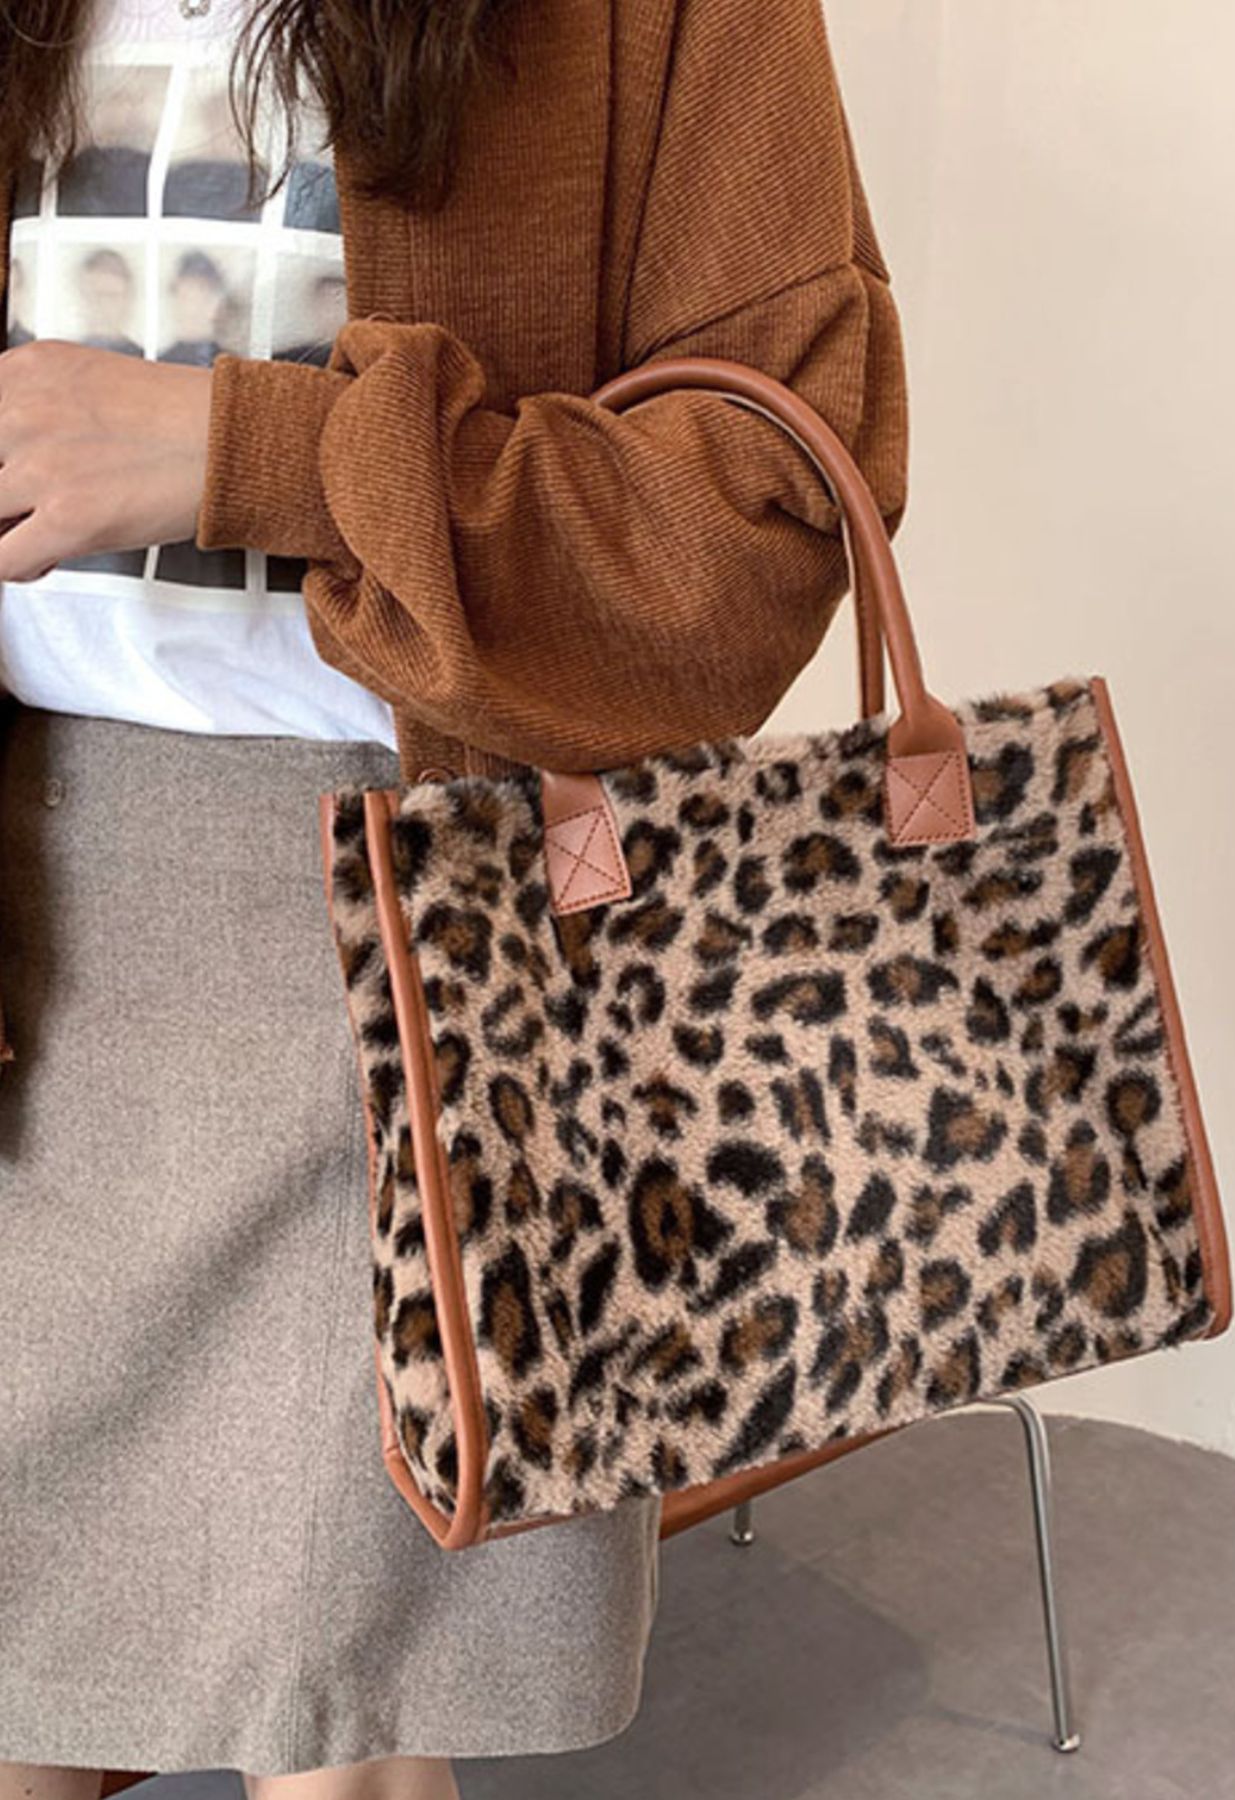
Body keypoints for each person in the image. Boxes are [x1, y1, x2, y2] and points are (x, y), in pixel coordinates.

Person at [0, 0, 908, 1796]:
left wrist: (253, 455)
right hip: (47, 926)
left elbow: (769, 507)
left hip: (432, 959)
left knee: (344, 1737)